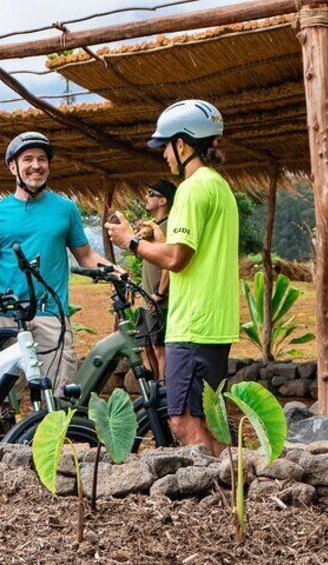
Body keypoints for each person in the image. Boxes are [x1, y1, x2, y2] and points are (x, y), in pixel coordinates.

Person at [106, 100, 239, 454]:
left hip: (193, 324)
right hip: (214, 321)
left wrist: (129, 242)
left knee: (183, 421)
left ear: (182, 144)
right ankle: (234, 486)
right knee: (209, 419)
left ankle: (220, 493)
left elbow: (177, 258)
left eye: (166, 145)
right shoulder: (219, 187)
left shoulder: (192, 190)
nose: (164, 154)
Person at [0, 132, 117, 393]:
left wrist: (116, 272)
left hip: (53, 317)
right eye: (28, 159)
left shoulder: (65, 209)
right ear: (13, 166)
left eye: (42, 159)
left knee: (58, 395)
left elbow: (86, 256)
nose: (36, 165)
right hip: (9, 315)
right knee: (3, 398)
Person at [136, 179, 176, 380]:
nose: (147, 197)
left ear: (163, 201)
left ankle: (164, 390)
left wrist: (160, 293)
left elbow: (170, 263)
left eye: (151, 193)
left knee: (159, 347)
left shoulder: (169, 226)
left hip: (158, 299)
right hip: (146, 298)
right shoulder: (152, 227)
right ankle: (153, 387)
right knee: (144, 345)